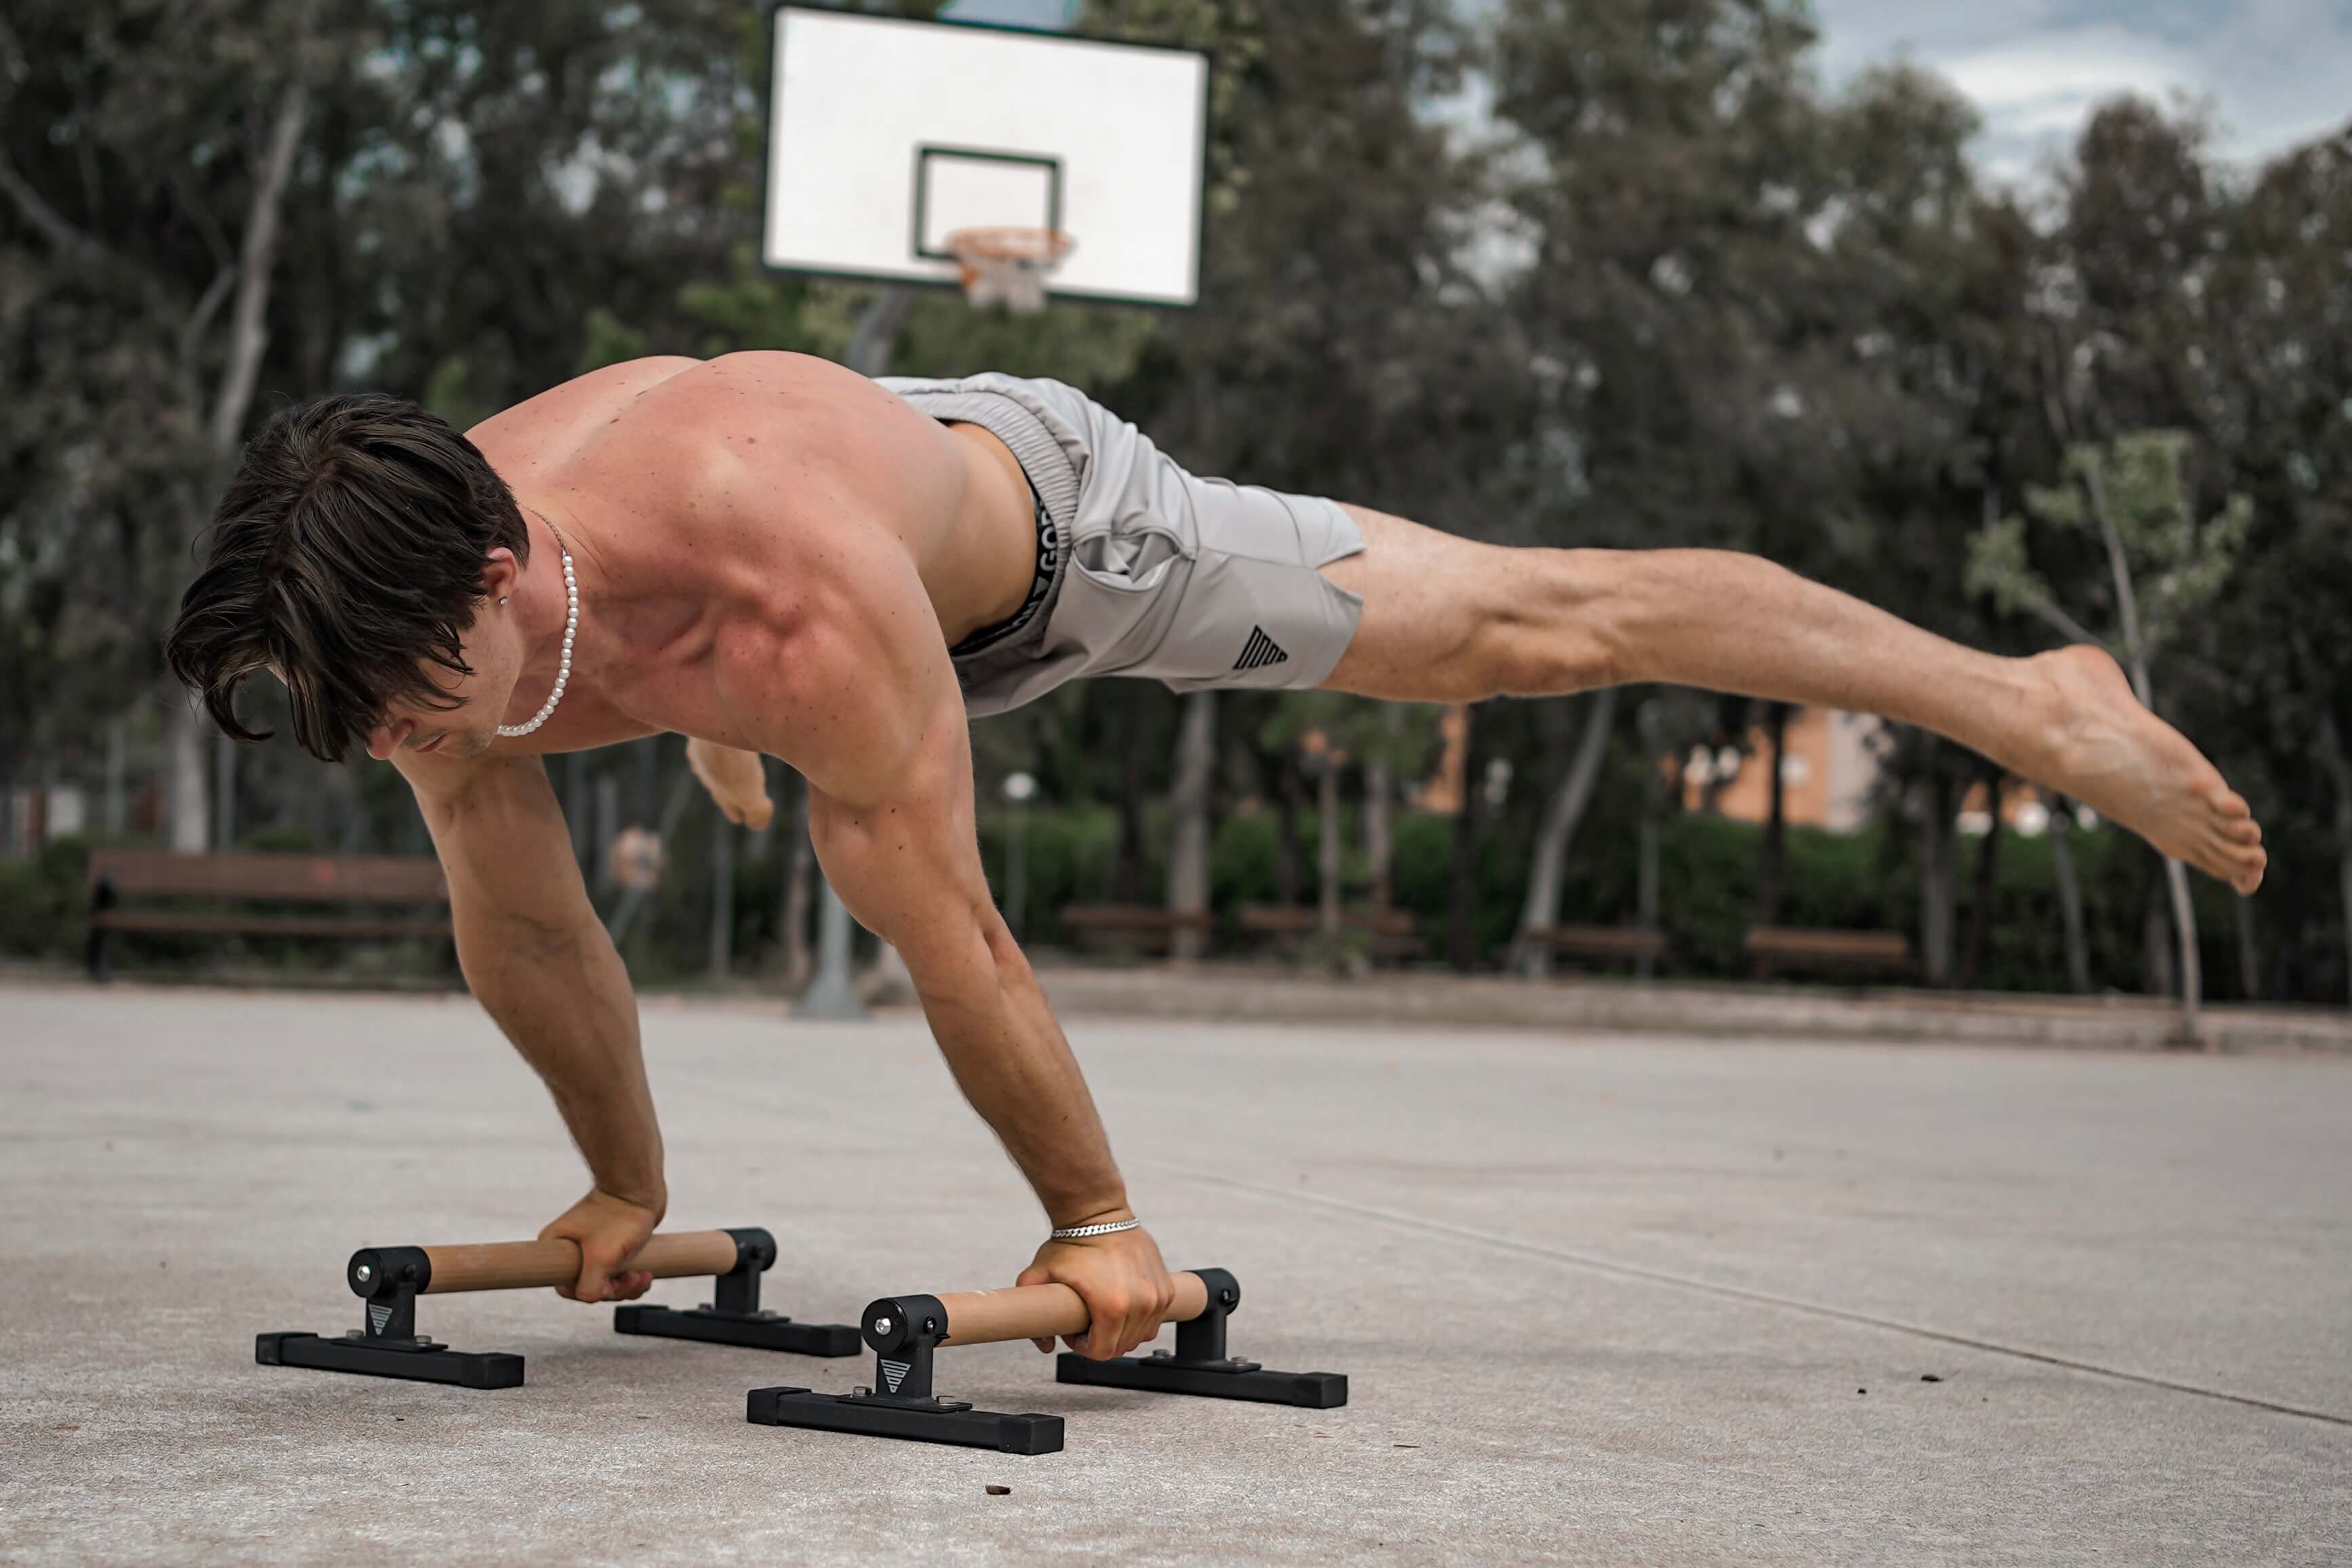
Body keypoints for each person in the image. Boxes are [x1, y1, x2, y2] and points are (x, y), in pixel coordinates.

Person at [165, 353, 2268, 1361]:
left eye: (410, 688)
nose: (390, 734)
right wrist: (624, 1189)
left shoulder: (774, 589)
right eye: (357, 708)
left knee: (1531, 631)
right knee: (520, 784)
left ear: (520, 565)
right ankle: (707, 767)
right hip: (734, 615)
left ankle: (2022, 696)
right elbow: (526, 914)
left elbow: (950, 928)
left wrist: (1096, 1229)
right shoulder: (411, 611)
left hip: (1060, 542)